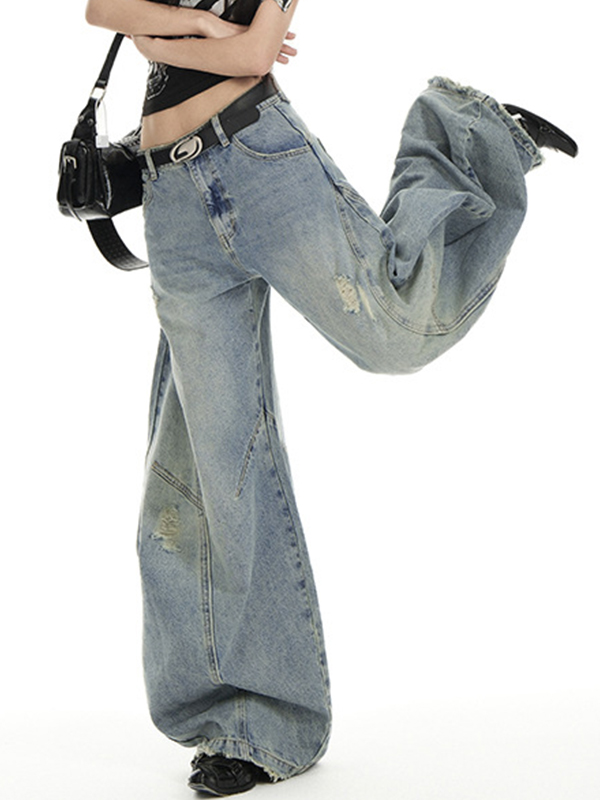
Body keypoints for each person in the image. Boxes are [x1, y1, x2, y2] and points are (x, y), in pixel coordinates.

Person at [84, 0, 577, 795]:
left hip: (260, 161)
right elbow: (102, 10)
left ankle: (464, 133)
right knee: (212, 460)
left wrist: (174, 35)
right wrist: (199, 32)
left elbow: (253, 57)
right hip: (169, 195)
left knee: (393, 333)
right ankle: (248, 726)